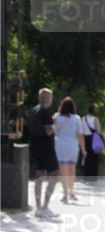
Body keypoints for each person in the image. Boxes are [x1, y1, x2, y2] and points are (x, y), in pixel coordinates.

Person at [27, 88, 59, 219]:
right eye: (51, 97)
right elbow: (48, 131)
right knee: (54, 176)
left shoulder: (34, 110)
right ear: (48, 98)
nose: (51, 99)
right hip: (46, 148)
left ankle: (38, 207)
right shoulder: (47, 112)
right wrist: (55, 124)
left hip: (35, 147)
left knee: (39, 176)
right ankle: (45, 207)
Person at [53, 97, 85, 204]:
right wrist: (83, 149)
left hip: (61, 145)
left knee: (63, 170)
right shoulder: (77, 118)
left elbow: (55, 132)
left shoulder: (57, 118)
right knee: (72, 170)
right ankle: (71, 191)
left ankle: (65, 194)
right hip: (73, 145)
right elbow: (80, 135)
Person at [81, 104, 101, 179]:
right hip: (93, 139)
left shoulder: (83, 119)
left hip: (85, 139)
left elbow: (81, 131)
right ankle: (94, 176)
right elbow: (99, 131)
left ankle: (86, 175)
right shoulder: (95, 119)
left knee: (87, 157)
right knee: (94, 158)